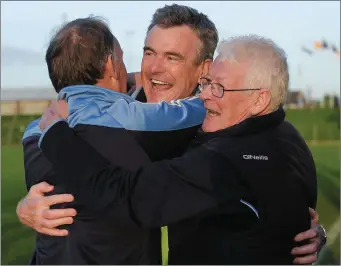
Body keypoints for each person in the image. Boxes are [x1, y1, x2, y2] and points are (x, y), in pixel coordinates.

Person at [17, 4, 325, 265]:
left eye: (172, 58)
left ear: (205, 70)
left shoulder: (232, 127)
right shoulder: (130, 113)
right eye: (149, 53)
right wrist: (28, 206)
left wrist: (296, 226)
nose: (154, 69)